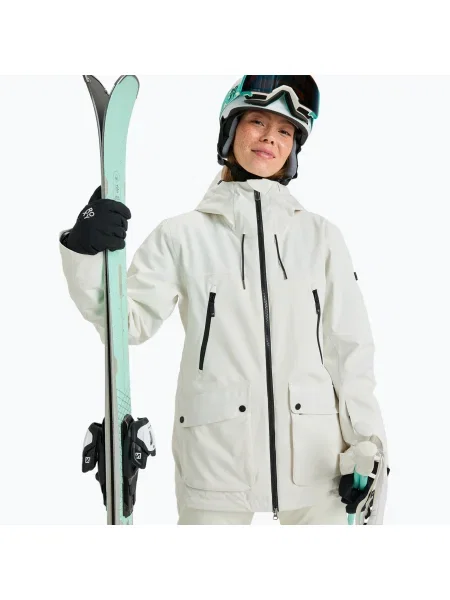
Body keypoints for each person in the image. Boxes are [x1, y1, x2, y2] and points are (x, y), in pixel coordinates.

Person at [60, 75, 389, 525]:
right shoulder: (181, 235)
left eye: (286, 130)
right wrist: (82, 250)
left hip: (318, 458)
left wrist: (367, 444)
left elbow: (350, 349)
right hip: (215, 455)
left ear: (294, 149)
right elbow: (125, 324)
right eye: (258, 122)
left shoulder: (321, 238)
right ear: (230, 130)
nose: (270, 137)